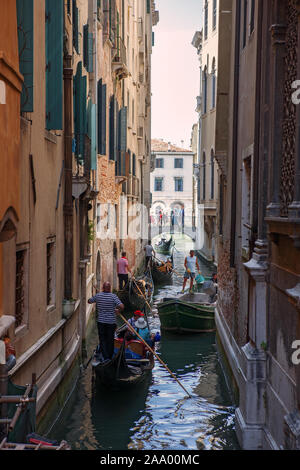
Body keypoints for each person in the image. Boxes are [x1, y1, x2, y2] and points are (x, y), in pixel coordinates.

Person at [88, 281, 124, 361]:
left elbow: (89, 301)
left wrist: (95, 298)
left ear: (103, 288)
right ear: (110, 288)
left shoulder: (98, 296)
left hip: (101, 322)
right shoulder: (113, 296)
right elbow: (122, 306)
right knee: (110, 339)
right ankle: (110, 356)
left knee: (102, 339)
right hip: (111, 322)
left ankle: (105, 357)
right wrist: (118, 310)